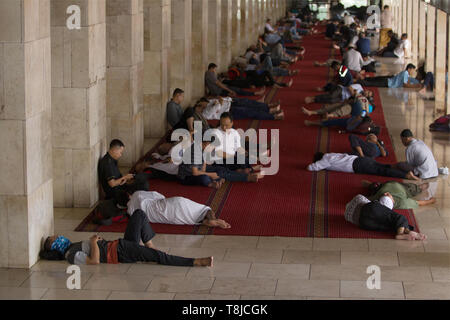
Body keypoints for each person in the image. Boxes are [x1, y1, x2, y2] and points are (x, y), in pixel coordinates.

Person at [39, 210, 213, 266]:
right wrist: (93, 242)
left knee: (138, 215)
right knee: (160, 258)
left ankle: (149, 245)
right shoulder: (70, 255)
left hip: (120, 245)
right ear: (56, 246)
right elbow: (94, 262)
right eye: (56, 238)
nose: (60, 236)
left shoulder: (73, 246)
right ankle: (195, 262)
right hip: (121, 253)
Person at [119, 190, 231, 229]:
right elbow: (158, 195)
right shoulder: (137, 194)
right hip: (171, 203)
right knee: (203, 208)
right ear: (129, 194)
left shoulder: (130, 211)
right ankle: (212, 217)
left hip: (169, 217)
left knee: (191, 218)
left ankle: (207, 220)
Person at [177, 140, 263, 188]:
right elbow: (195, 172)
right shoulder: (195, 151)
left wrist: (210, 173)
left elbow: (203, 167)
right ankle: (246, 177)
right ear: (206, 143)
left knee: (220, 170)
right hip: (186, 177)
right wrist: (211, 174)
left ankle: (219, 178)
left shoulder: (204, 148)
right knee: (205, 178)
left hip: (198, 171)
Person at [344, 193, 427, 240]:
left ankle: (404, 232)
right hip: (362, 221)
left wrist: (388, 197)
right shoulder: (386, 203)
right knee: (394, 221)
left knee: (395, 220)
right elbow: (385, 198)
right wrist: (389, 197)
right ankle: (404, 232)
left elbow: (384, 198)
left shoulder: (385, 204)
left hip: (362, 220)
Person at [307, 152, 420, 181]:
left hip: (357, 166)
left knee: (382, 171)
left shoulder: (325, 159)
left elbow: (312, 168)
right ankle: (401, 170)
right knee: (383, 166)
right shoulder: (330, 155)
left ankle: (406, 175)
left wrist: (314, 164)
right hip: (360, 159)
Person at [362, 180, 436, 209]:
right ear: (393, 201)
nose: (386, 193)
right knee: (412, 189)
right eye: (387, 195)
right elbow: (418, 203)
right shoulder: (401, 203)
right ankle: (419, 188)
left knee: (377, 189)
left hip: (388, 184)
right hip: (398, 187)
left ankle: (374, 186)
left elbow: (363, 200)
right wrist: (430, 201)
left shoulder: (377, 198)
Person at [203, 96, 285, 121]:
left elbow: (220, 99)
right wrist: (219, 103)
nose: (205, 104)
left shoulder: (209, 101)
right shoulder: (205, 114)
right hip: (230, 112)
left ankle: (269, 108)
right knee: (252, 112)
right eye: (202, 104)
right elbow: (218, 106)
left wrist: (220, 101)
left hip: (231, 102)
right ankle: (273, 117)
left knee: (252, 103)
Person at [357, 64, 422, 89]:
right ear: (409, 69)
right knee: (371, 84)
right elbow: (405, 85)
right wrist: (415, 86)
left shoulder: (406, 73)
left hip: (388, 80)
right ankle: (357, 82)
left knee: (373, 80)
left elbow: (407, 82)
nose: (413, 72)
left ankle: (360, 79)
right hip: (388, 82)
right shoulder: (405, 73)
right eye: (412, 70)